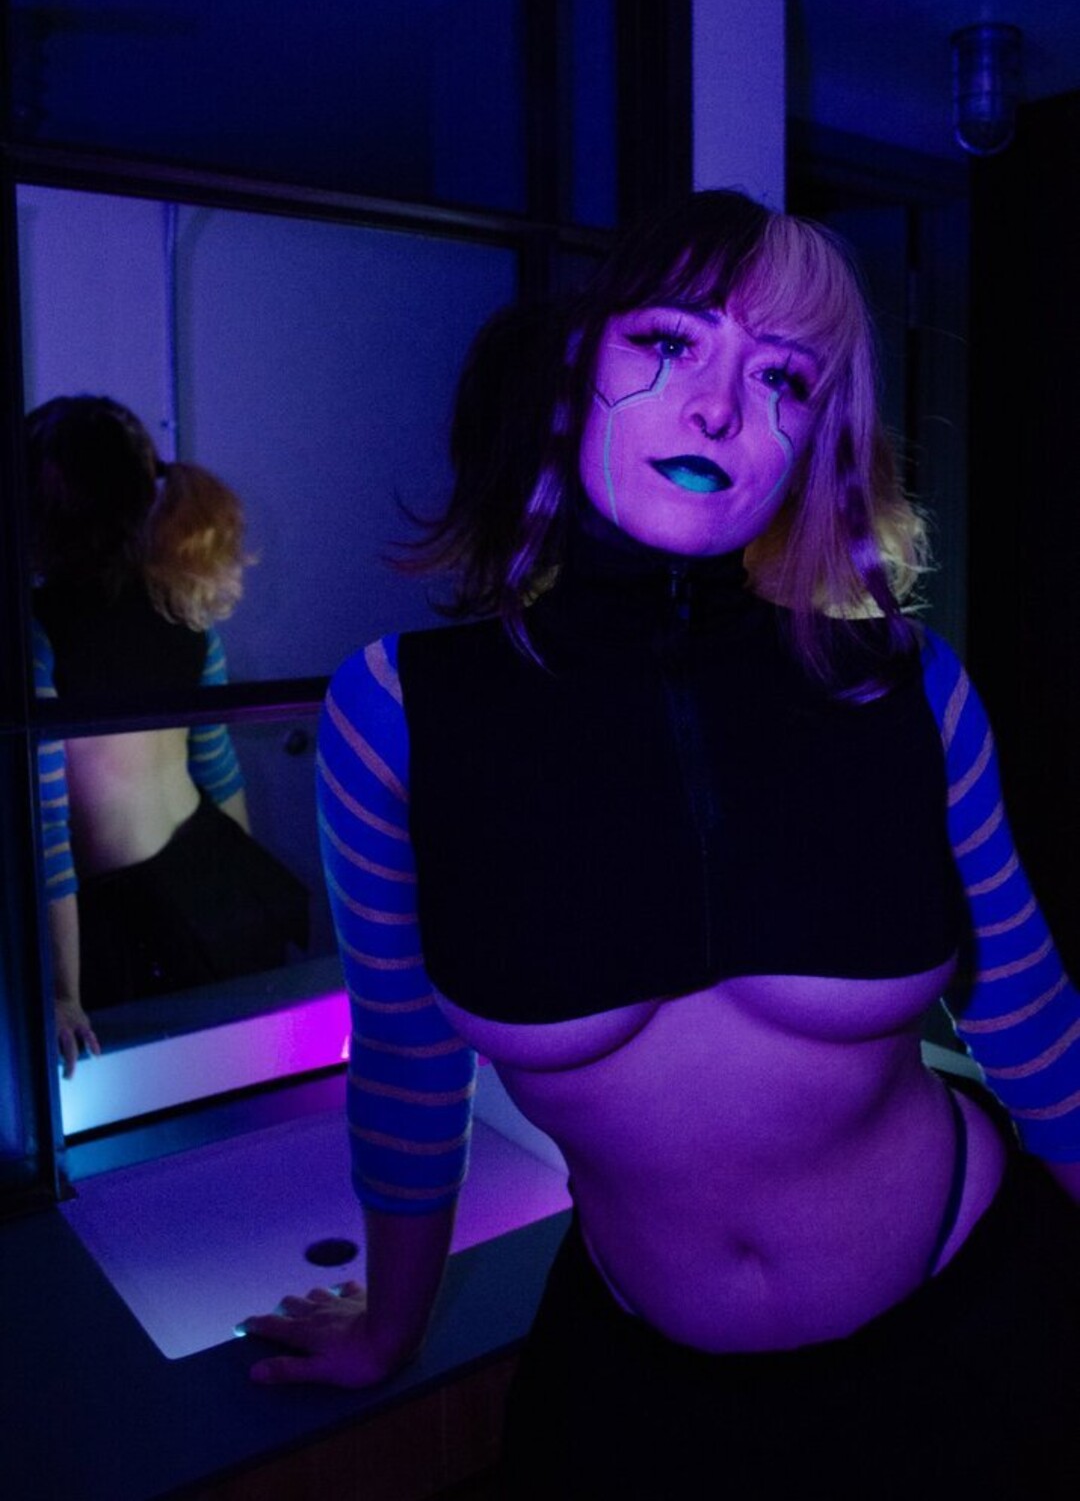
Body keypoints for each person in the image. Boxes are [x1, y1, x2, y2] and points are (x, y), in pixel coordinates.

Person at [243, 194, 1080, 1495]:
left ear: (813, 441)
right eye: (671, 342)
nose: (718, 408)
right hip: (647, 1395)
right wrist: (386, 1328)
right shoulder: (401, 710)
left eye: (783, 377)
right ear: (580, 369)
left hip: (981, 1328)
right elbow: (407, 1059)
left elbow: (1028, 1017)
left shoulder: (907, 685)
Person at [27, 395, 308, 1073]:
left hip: (121, 919)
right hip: (209, 874)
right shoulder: (182, 607)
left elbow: (49, 831)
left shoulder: (36, 636)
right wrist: (246, 895)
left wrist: (63, 991)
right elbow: (218, 767)